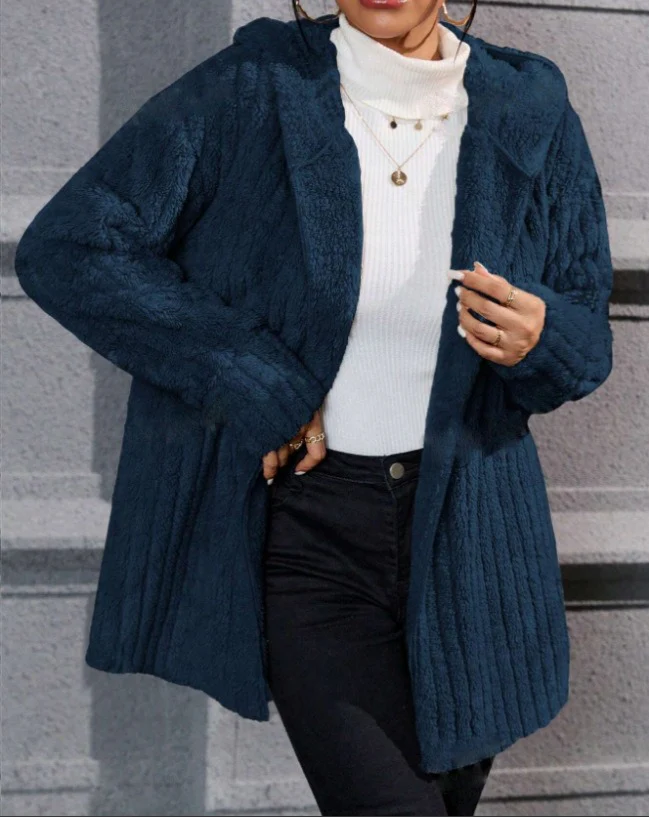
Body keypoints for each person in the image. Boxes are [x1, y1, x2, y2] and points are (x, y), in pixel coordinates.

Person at [14, 0, 614, 814]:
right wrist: (256, 380)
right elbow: (71, 245)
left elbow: (587, 333)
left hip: (473, 539)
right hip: (313, 538)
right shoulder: (255, 86)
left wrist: (541, 338)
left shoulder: (529, 107)